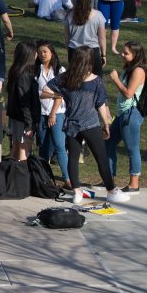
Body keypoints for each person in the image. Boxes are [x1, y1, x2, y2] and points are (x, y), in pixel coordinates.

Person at [47, 46, 129, 205]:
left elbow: (44, 90)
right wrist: (106, 123)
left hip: (71, 124)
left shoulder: (65, 78)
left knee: (73, 157)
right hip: (90, 124)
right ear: (89, 60)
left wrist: (59, 94)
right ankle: (111, 191)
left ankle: (77, 192)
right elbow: (100, 104)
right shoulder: (95, 80)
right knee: (101, 158)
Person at [106, 41, 147, 193]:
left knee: (132, 148)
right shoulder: (130, 69)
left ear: (135, 54)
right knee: (109, 143)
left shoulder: (138, 71)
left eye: (126, 53)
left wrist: (116, 79)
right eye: (123, 52)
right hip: (122, 114)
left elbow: (129, 93)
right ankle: (109, 179)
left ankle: (134, 184)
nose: (122, 55)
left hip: (131, 114)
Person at [36, 41, 68, 185]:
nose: (42, 54)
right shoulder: (36, 70)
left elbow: (61, 95)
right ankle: (43, 177)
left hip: (57, 113)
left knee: (59, 145)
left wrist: (53, 114)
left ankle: (67, 177)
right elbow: (38, 93)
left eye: (45, 52)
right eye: (40, 52)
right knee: (43, 147)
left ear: (52, 53)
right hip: (41, 112)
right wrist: (52, 94)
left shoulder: (60, 70)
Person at [5, 41, 40, 160]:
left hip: (16, 117)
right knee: (23, 150)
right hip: (23, 119)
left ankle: (13, 175)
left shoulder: (15, 71)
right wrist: (29, 124)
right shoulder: (25, 75)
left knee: (15, 147)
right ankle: (21, 176)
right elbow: (24, 101)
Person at [64, 0, 107, 76]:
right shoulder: (98, 15)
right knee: (96, 81)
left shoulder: (69, 15)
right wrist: (103, 55)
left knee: (74, 80)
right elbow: (102, 38)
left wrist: (69, 51)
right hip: (92, 52)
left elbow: (67, 37)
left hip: (74, 51)